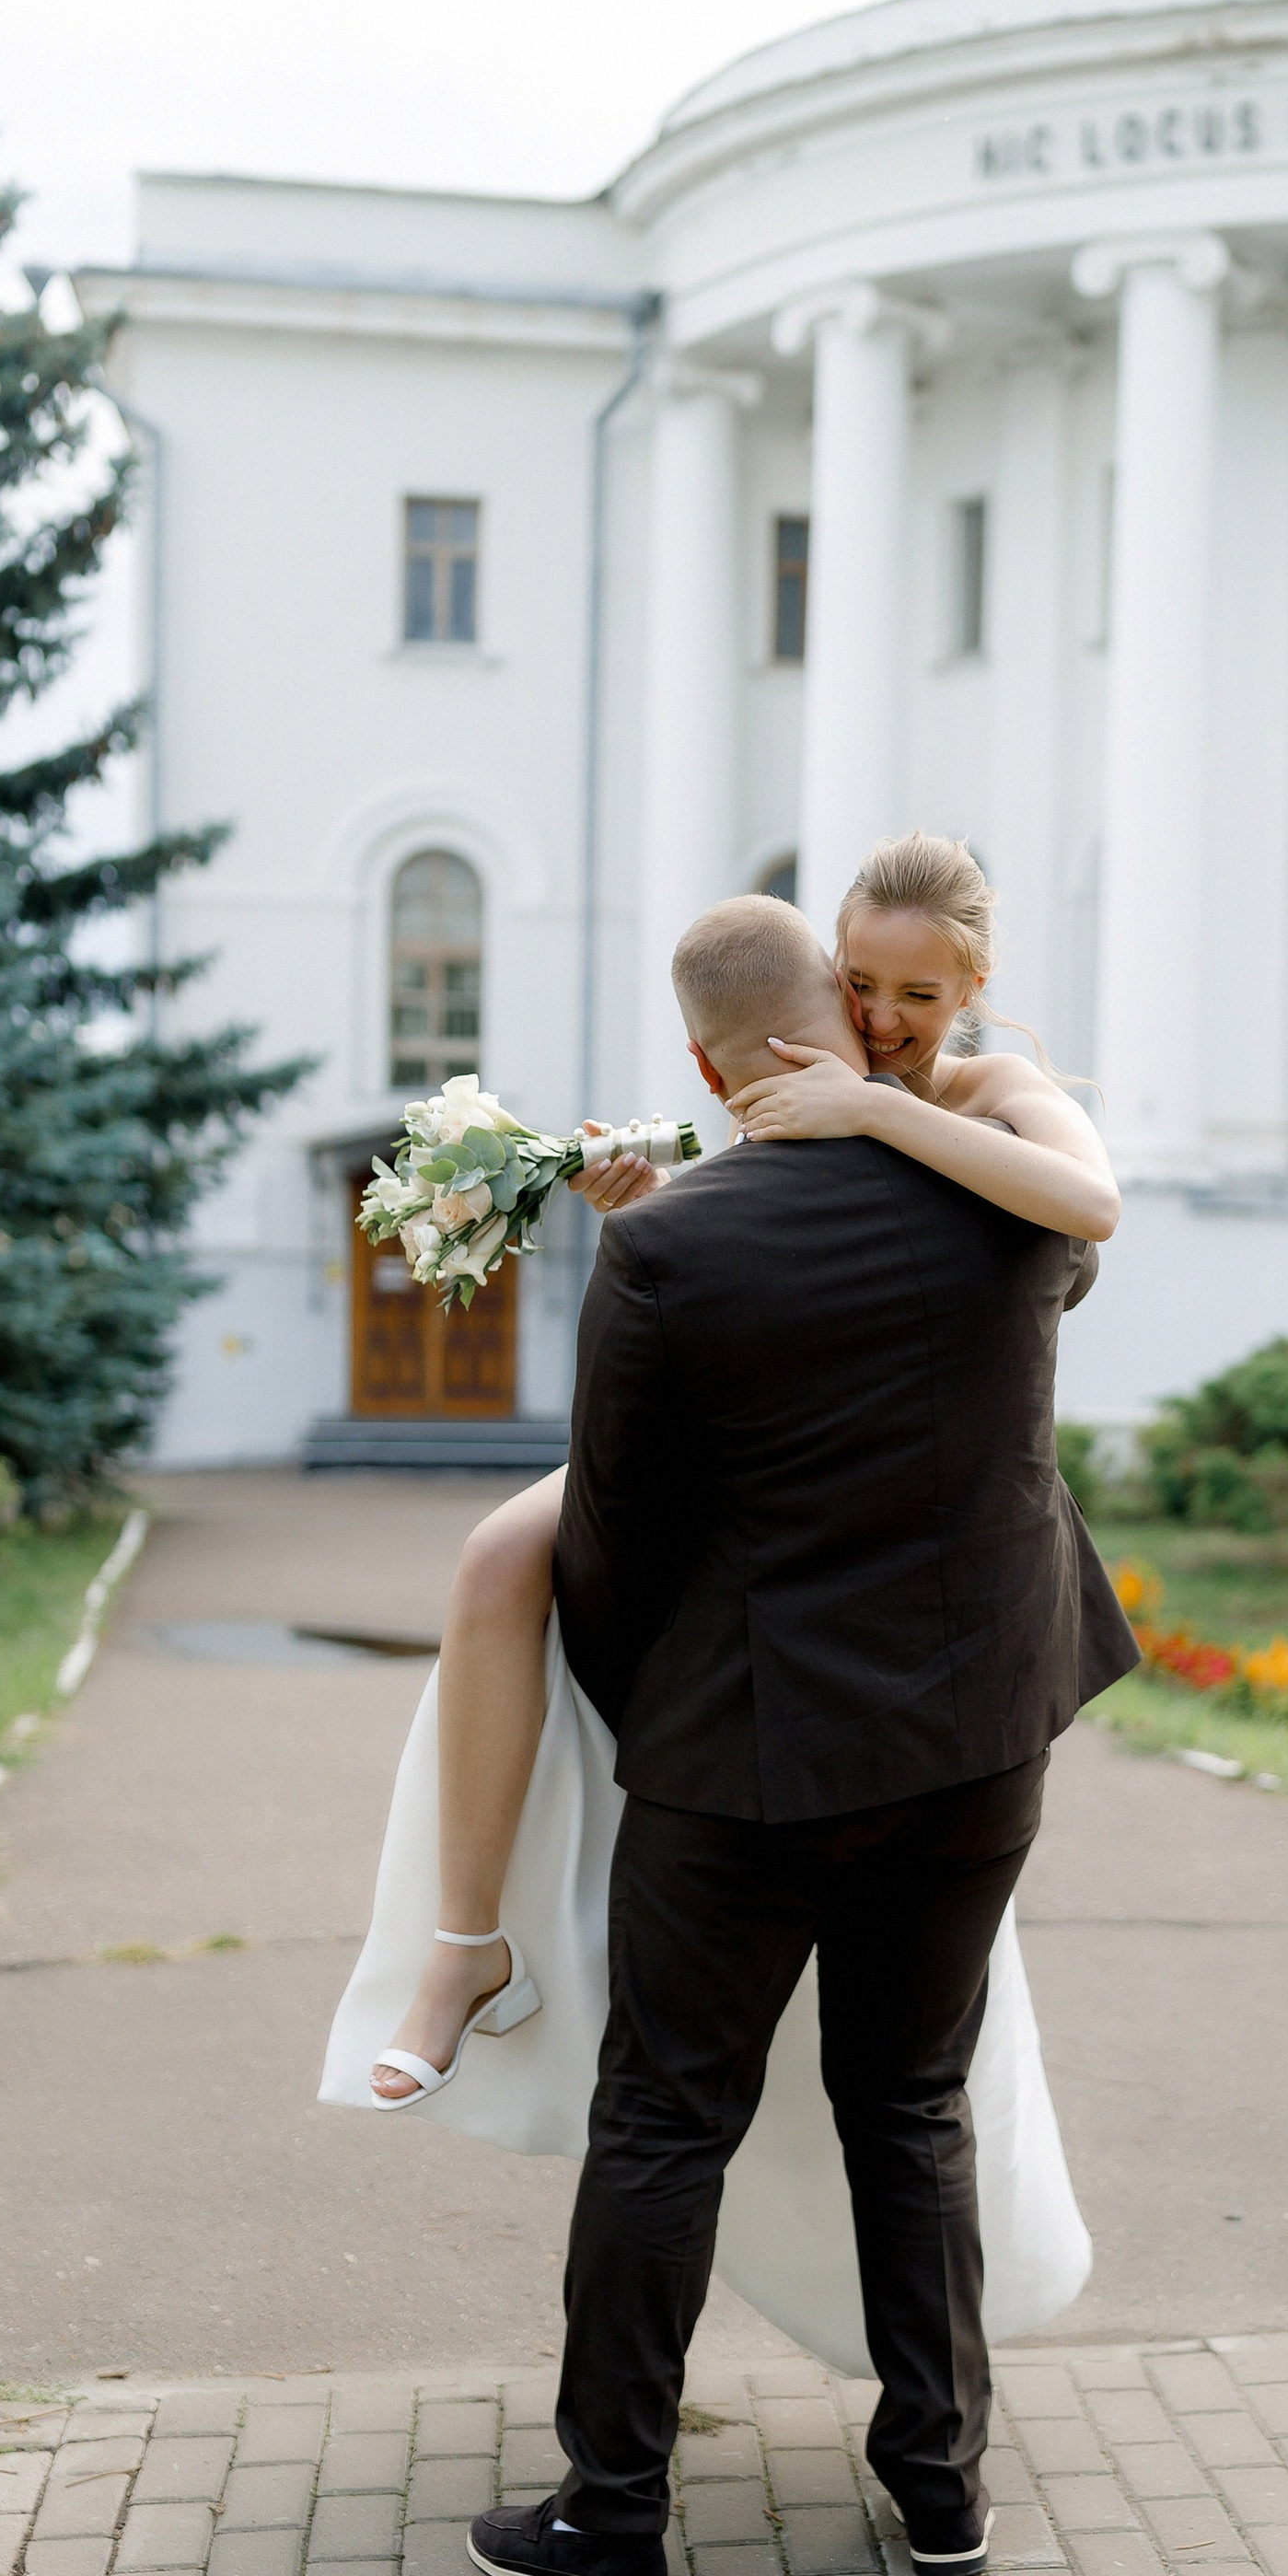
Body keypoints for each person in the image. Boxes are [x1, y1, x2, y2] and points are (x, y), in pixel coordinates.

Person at [453, 887, 1135, 2576]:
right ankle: (943, 2491)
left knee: (667, 2120)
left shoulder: (674, 1248)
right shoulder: (999, 1202)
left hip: (749, 1758)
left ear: (703, 1057)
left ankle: (613, 2526)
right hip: (981, 1746)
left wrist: (655, 1714)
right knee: (910, 2107)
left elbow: (610, 1544)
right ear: (845, 1004)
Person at [357, 834, 1114, 2108]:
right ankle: (464, 1943)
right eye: (860, 985)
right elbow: (764, 1271)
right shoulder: (813, 1075)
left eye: (918, 1000)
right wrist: (643, 1208)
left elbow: (1087, 1206)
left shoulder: (994, 1095)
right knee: (496, 1556)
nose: (881, 1022)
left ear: (972, 993)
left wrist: (876, 1107)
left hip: (929, 1478)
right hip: (781, 1447)